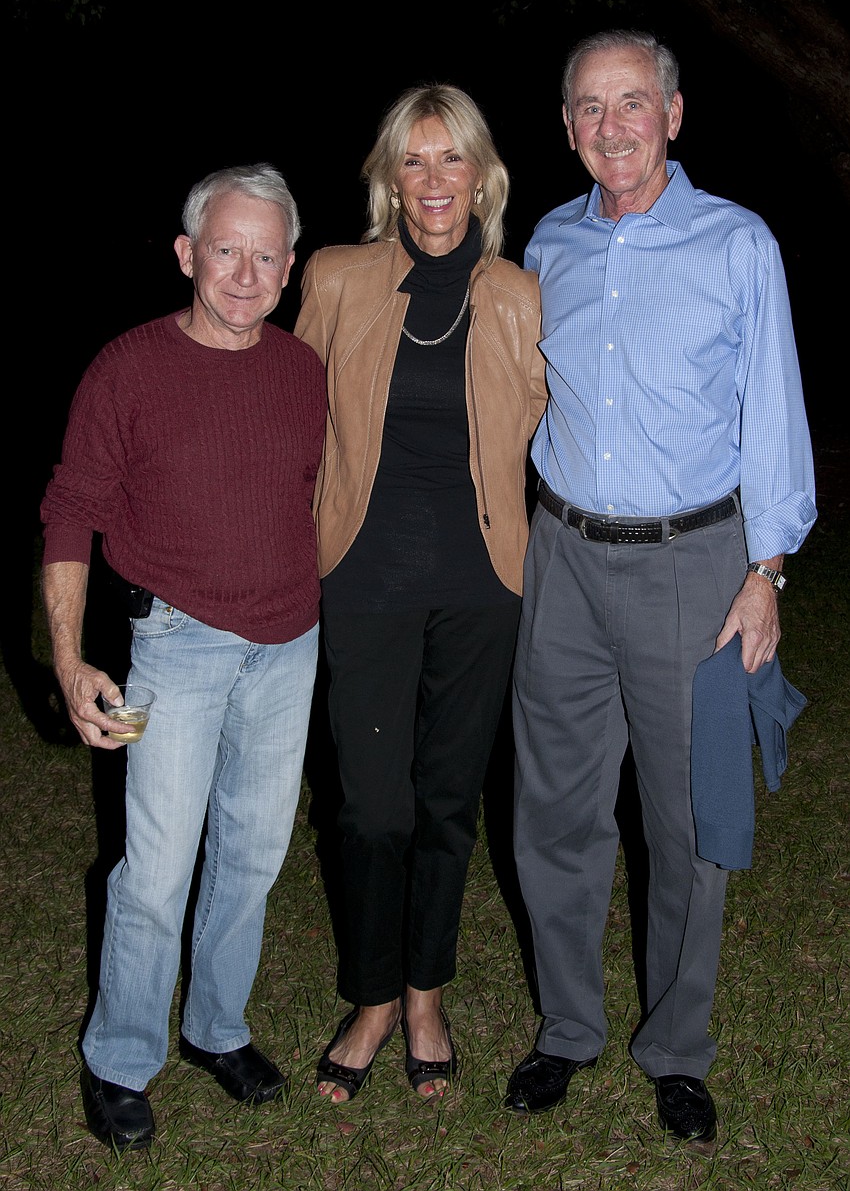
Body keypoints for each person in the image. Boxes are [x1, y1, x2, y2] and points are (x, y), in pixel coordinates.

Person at [504, 29, 816, 1142]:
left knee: (689, 822)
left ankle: (676, 1049)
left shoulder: (737, 244)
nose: (609, 125)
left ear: (673, 115)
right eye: (587, 107)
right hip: (565, 563)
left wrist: (764, 567)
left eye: (630, 101)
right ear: (567, 127)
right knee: (555, 813)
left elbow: (772, 413)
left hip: (696, 564)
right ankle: (567, 1031)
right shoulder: (546, 244)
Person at [40, 164, 326, 1151]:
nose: (244, 273)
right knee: (155, 874)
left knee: (250, 857)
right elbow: (70, 511)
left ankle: (215, 1029)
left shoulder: (302, 370)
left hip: (290, 646)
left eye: (265, 255)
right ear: (186, 254)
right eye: (225, 250)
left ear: (288, 266)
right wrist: (72, 660)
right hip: (172, 645)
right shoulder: (124, 368)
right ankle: (120, 1059)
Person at [294, 84, 547, 1103]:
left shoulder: (520, 294)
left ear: (481, 178)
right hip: (361, 575)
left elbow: (544, 424)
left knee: (448, 802)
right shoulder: (338, 277)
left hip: (483, 585)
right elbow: (286, 414)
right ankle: (371, 999)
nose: (433, 181)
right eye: (413, 160)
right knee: (369, 806)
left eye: (452, 161)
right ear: (388, 179)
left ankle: (425, 992)